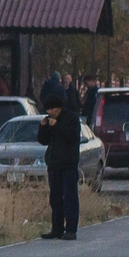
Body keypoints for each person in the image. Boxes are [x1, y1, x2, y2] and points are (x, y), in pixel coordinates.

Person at [39, 97, 82, 240]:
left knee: (70, 197)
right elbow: (43, 140)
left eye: (53, 109)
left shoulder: (71, 118)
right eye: (48, 110)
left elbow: (72, 137)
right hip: (54, 164)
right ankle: (56, 229)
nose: (50, 112)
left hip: (68, 164)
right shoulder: (49, 119)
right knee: (55, 198)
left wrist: (56, 125)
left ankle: (71, 229)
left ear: (59, 108)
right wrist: (43, 127)